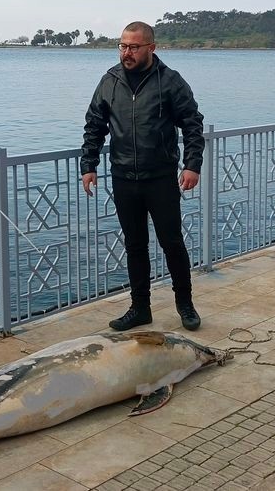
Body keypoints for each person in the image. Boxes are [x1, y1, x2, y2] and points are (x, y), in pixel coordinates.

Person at [80, 21, 205, 332]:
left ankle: (185, 305)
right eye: (123, 45)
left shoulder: (171, 82)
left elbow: (192, 124)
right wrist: (88, 165)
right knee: (135, 245)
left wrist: (192, 165)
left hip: (161, 177)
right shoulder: (109, 81)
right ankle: (140, 308)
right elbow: (94, 125)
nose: (127, 52)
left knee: (172, 243)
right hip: (123, 177)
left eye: (134, 47)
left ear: (151, 47)